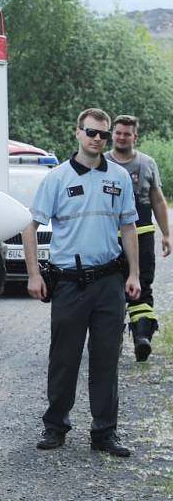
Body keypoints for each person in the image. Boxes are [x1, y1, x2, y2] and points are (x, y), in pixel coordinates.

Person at [23, 108, 141, 458]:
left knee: (106, 359)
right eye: (91, 132)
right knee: (64, 358)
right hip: (69, 284)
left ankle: (104, 432)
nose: (97, 139)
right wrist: (33, 274)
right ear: (77, 132)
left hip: (108, 282)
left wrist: (133, 274)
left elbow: (129, 226)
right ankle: (55, 426)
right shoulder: (56, 179)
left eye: (103, 135)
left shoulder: (119, 178)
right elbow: (31, 227)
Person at [106, 114, 170, 361]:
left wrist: (166, 234)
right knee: (108, 288)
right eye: (118, 132)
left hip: (141, 236)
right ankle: (109, 340)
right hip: (107, 239)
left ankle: (142, 336)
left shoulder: (147, 163)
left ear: (135, 136)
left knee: (141, 286)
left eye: (127, 133)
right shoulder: (101, 162)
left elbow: (157, 200)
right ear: (113, 134)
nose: (122, 137)